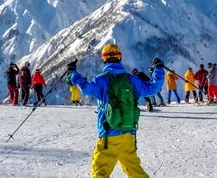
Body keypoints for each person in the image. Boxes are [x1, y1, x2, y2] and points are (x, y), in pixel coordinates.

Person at [66, 44, 165, 178]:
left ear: (104, 60)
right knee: (134, 170)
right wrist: (158, 69)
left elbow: (85, 88)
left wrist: (72, 72)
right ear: (120, 58)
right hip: (128, 135)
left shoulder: (102, 80)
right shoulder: (131, 79)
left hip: (109, 136)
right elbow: (153, 88)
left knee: (100, 171)